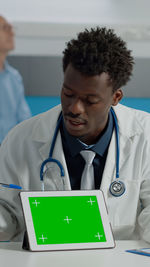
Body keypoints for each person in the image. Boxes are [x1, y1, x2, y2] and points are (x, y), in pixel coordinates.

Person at [0, 26, 150, 243]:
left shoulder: (144, 135)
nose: (74, 108)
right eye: (68, 94)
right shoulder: (22, 139)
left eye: (90, 100)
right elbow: (6, 209)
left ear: (116, 97)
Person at [0, 15, 31, 144]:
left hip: (10, 151)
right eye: (5, 28)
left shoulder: (14, 77)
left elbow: (25, 121)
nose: (12, 33)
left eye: (12, 28)